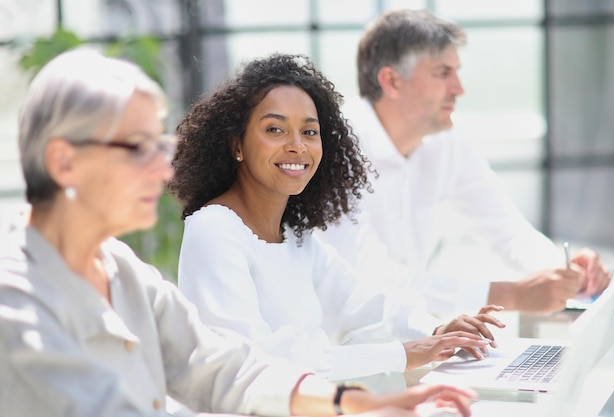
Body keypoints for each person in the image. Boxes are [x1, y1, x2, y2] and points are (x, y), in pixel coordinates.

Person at [0, 47, 478, 417]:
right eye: (137, 147)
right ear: (65, 162)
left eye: (161, 143)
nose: (161, 165)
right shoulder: (15, 298)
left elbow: (222, 368)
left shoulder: (123, 270)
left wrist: (354, 402)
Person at [168, 52, 505, 383]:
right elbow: (255, 362)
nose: (297, 146)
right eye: (275, 130)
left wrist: (436, 329)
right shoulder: (214, 229)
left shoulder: (295, 236)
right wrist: (404, 353)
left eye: (310, 132)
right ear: (236, 144)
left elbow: (362, 302)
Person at [315, 9, 611, 316]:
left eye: (457, 72)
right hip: (337, 348)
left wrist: (566, 270)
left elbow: (507, 231)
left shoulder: (445, 141)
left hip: (413, 337)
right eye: (443, 73)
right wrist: (511, 295)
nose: (459, 88)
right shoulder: (334, 151)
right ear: (391, 80)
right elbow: (369, 276)